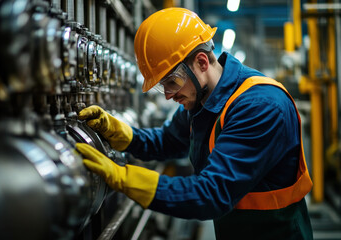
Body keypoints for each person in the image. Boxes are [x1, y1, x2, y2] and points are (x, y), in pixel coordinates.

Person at [76, 7, 314, 239]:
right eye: (162, 86)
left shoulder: (259, 106)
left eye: (172, 82)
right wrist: (125, 136)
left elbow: (212, 194)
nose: (168, 95)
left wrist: (126, 179)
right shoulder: (202, 99)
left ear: (202, 62)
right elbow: (168, 141)